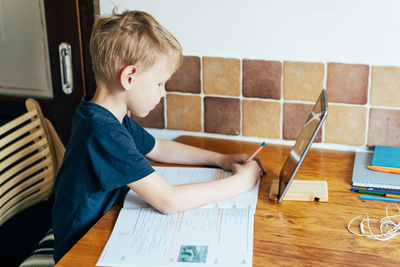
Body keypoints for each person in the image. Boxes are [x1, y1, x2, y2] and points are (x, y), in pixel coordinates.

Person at [51, 9, 266, 263]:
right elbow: (168, 200)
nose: (163, 93)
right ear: (129, 77)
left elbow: (159, 148)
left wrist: (222, 159)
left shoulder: (105, 115)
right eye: (160, 83)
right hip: (79, 250)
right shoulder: (103, 132)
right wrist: (243, 183)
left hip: (106, 226)